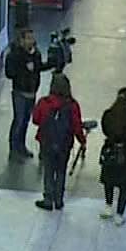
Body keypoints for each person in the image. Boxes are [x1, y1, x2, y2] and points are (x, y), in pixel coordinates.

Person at [30, 72, 86, 212]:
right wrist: (82, 141)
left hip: (47, 141)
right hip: (64, 143)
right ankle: (59, 200)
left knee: (48, 171)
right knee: (61, 171)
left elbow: (36, 120)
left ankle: (48, 200)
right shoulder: (72, 105)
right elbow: (77, 126)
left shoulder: (44, 102)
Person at [97, 88, 126, 226]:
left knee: (108, 181)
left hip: (111, 151)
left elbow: (105, 130)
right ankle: (119, 214)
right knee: (124, 186)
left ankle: (108, 206)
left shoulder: (108, 115)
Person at [3, 28, 45, 160]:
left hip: (32, 92)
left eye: (32, 38)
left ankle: (21, 146)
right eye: (28, 38)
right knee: (19, 120)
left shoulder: (36, 54)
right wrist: (24, 67)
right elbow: (9, 73)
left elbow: (38, 67)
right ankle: (14, 148)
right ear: (21, 40)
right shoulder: (14, 55)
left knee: (26, 121)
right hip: (19, 93)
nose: (31, 41)